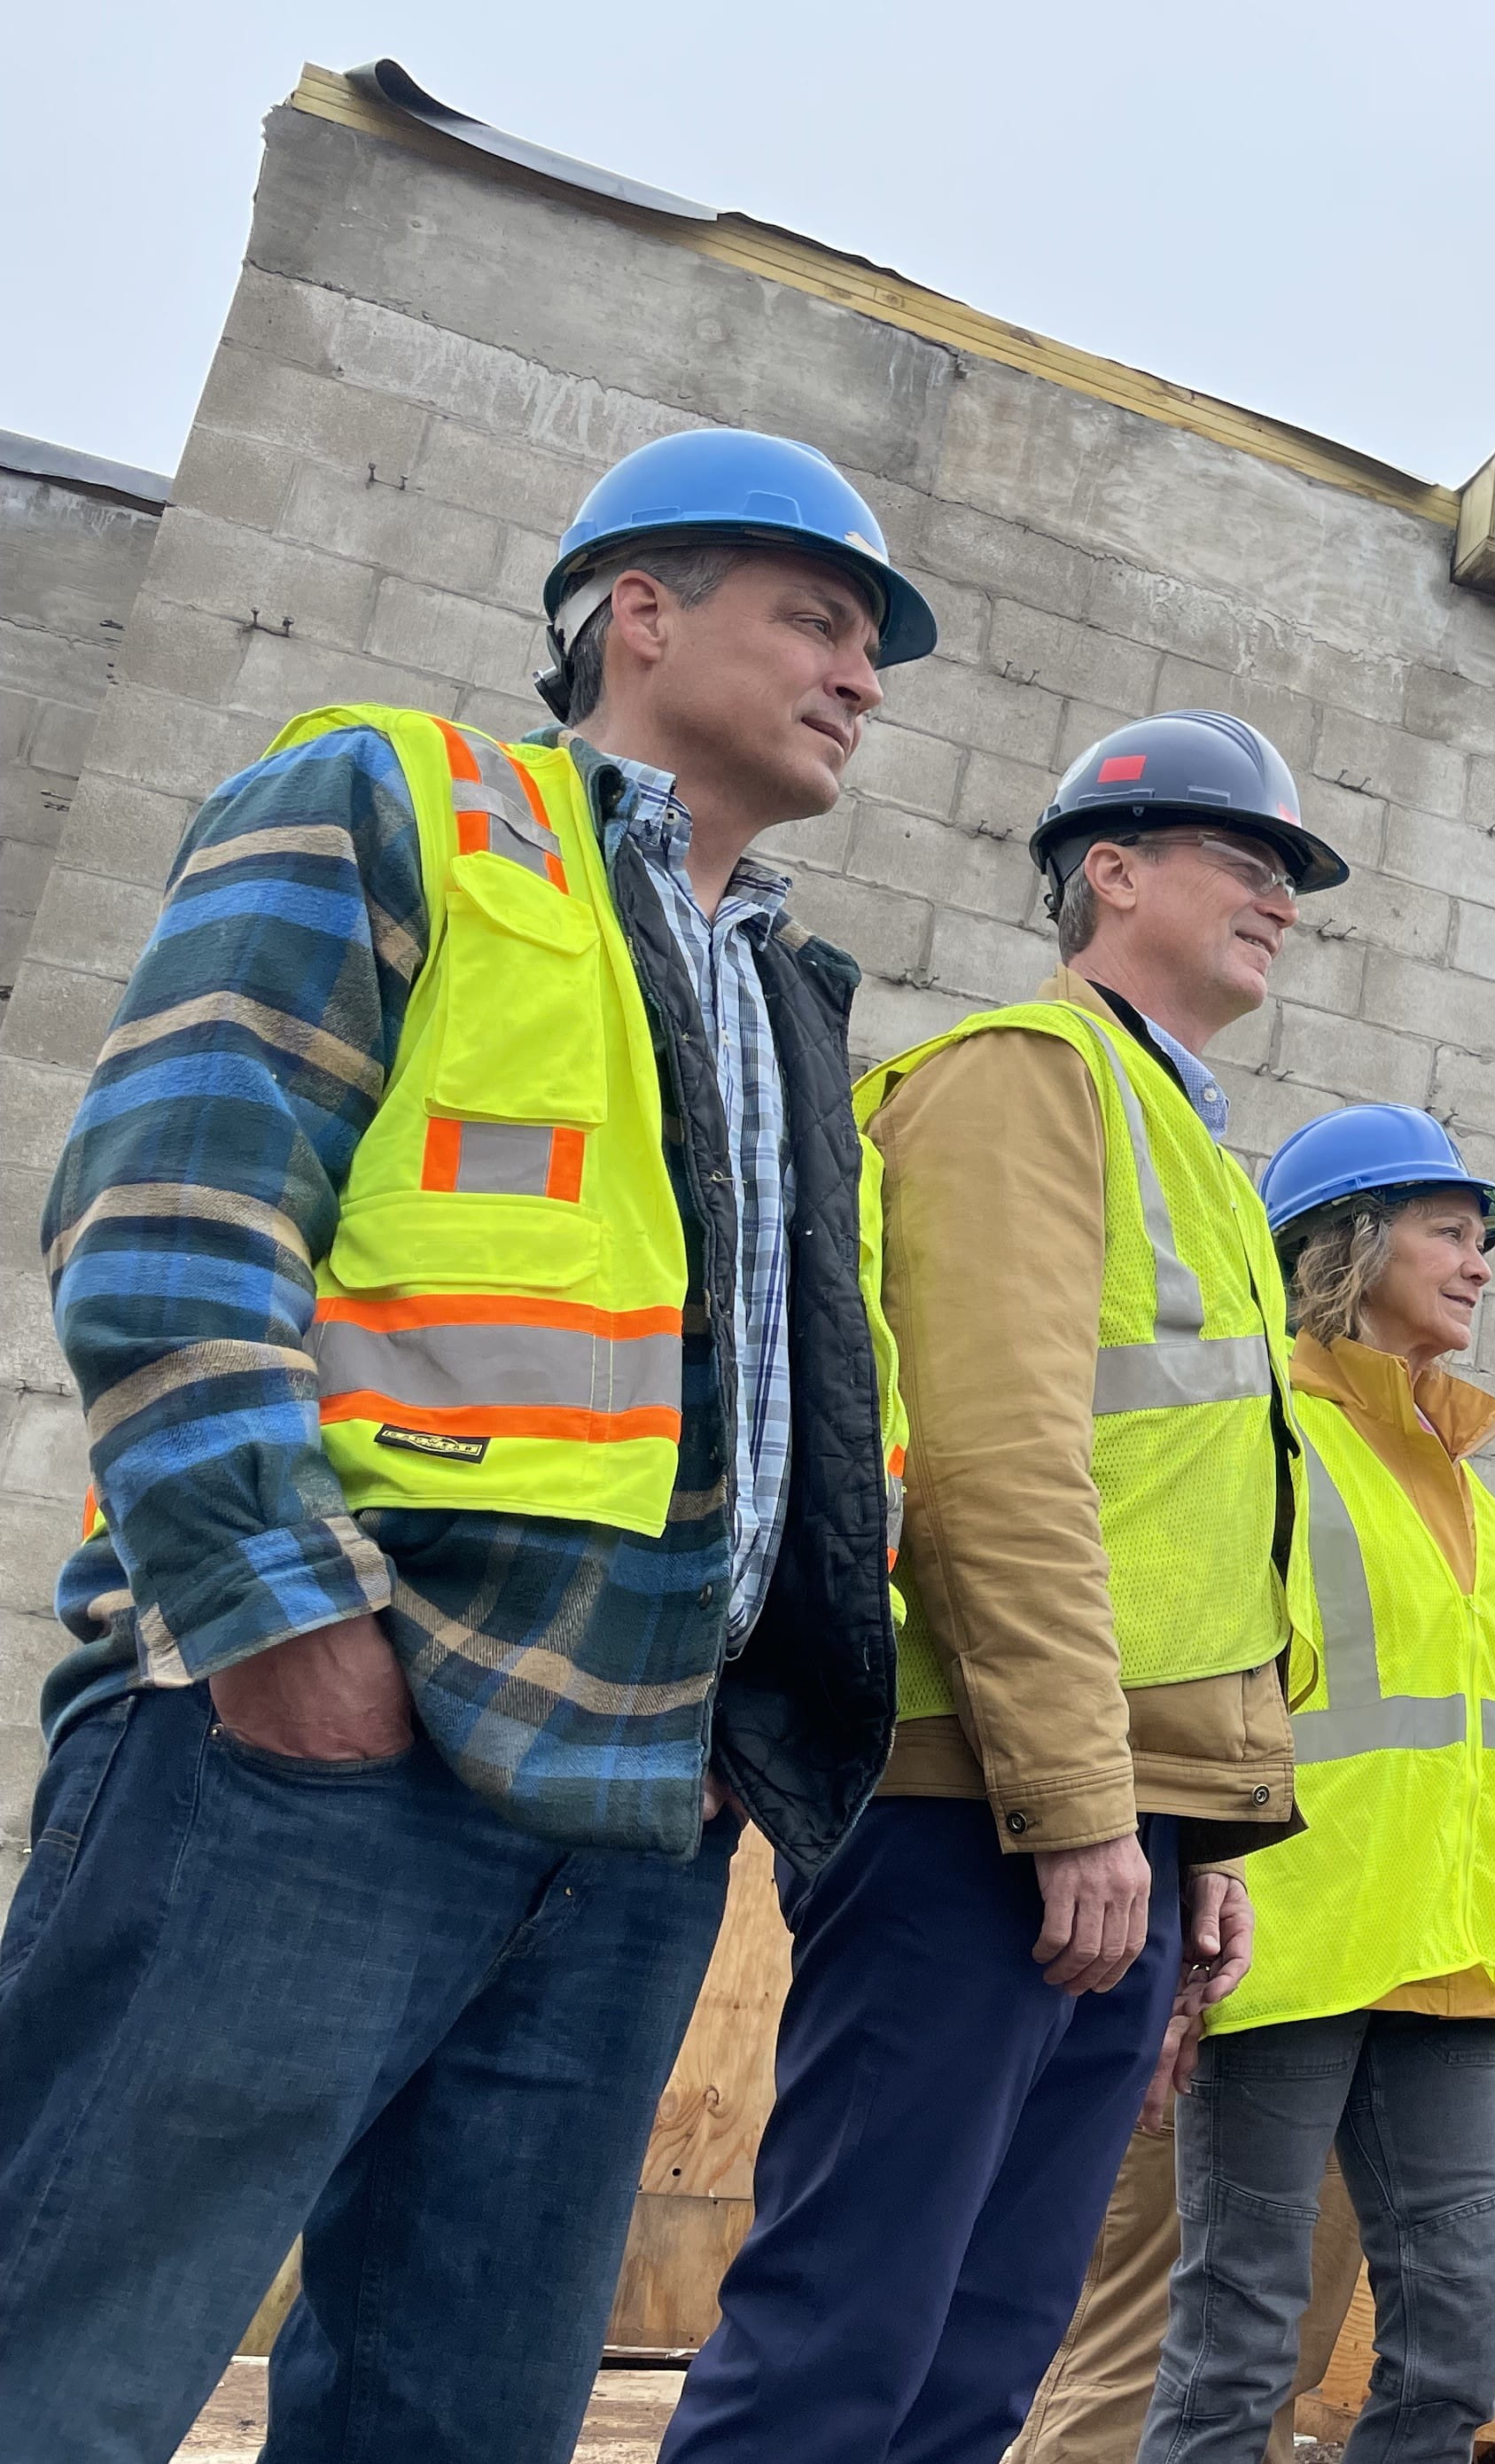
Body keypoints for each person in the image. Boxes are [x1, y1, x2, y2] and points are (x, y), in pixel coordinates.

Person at [0, 425, 923, 2462]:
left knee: (463, 2418)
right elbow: (173, 1210)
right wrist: (286, 1635)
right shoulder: (392, 802)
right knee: (61, 2348)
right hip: (314, 1753)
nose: (864, 674)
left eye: (878, 648)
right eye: (820, 620)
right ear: (643, 614)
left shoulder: (784, 998)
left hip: (632, 1819)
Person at [662, 709, 1349, 2462]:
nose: (1280, 895)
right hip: (983, 1805)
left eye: (1293, 875)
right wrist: (1081, 1805)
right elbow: (995, 1466)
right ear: (1107, 872)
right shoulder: (1027, 1079)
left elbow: (1191, 1536)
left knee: (981, 2356)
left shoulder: (1195, 1142)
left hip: (1111, 1814)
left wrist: (1206, 1829)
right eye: (1241, 860)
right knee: (851, 2333)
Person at [1086, 1103, 1495, 2464]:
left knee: (1461, 2336)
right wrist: (1176, 1898)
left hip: (1447, 1964)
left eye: (1482, 1241)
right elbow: (1183, 1667)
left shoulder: (1475, 1491)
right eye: (1448, 1231)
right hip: (1282, 1948)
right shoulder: (1265, 1428)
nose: (1478, 1262)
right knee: (1242, 2340)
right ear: (1349, 1243)